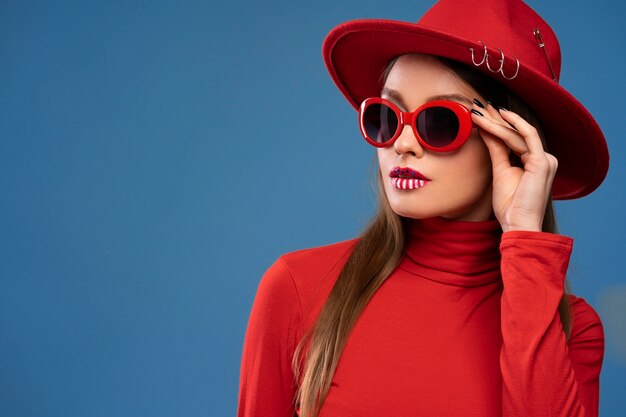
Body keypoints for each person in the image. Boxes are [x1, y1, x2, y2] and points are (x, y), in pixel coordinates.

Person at [237, 0, 609, 416]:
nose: (402, 143)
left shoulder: (573, 331)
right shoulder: (296, 290)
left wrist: (524, 235)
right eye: (387, 116)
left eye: (439, 122)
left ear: (514, 144)